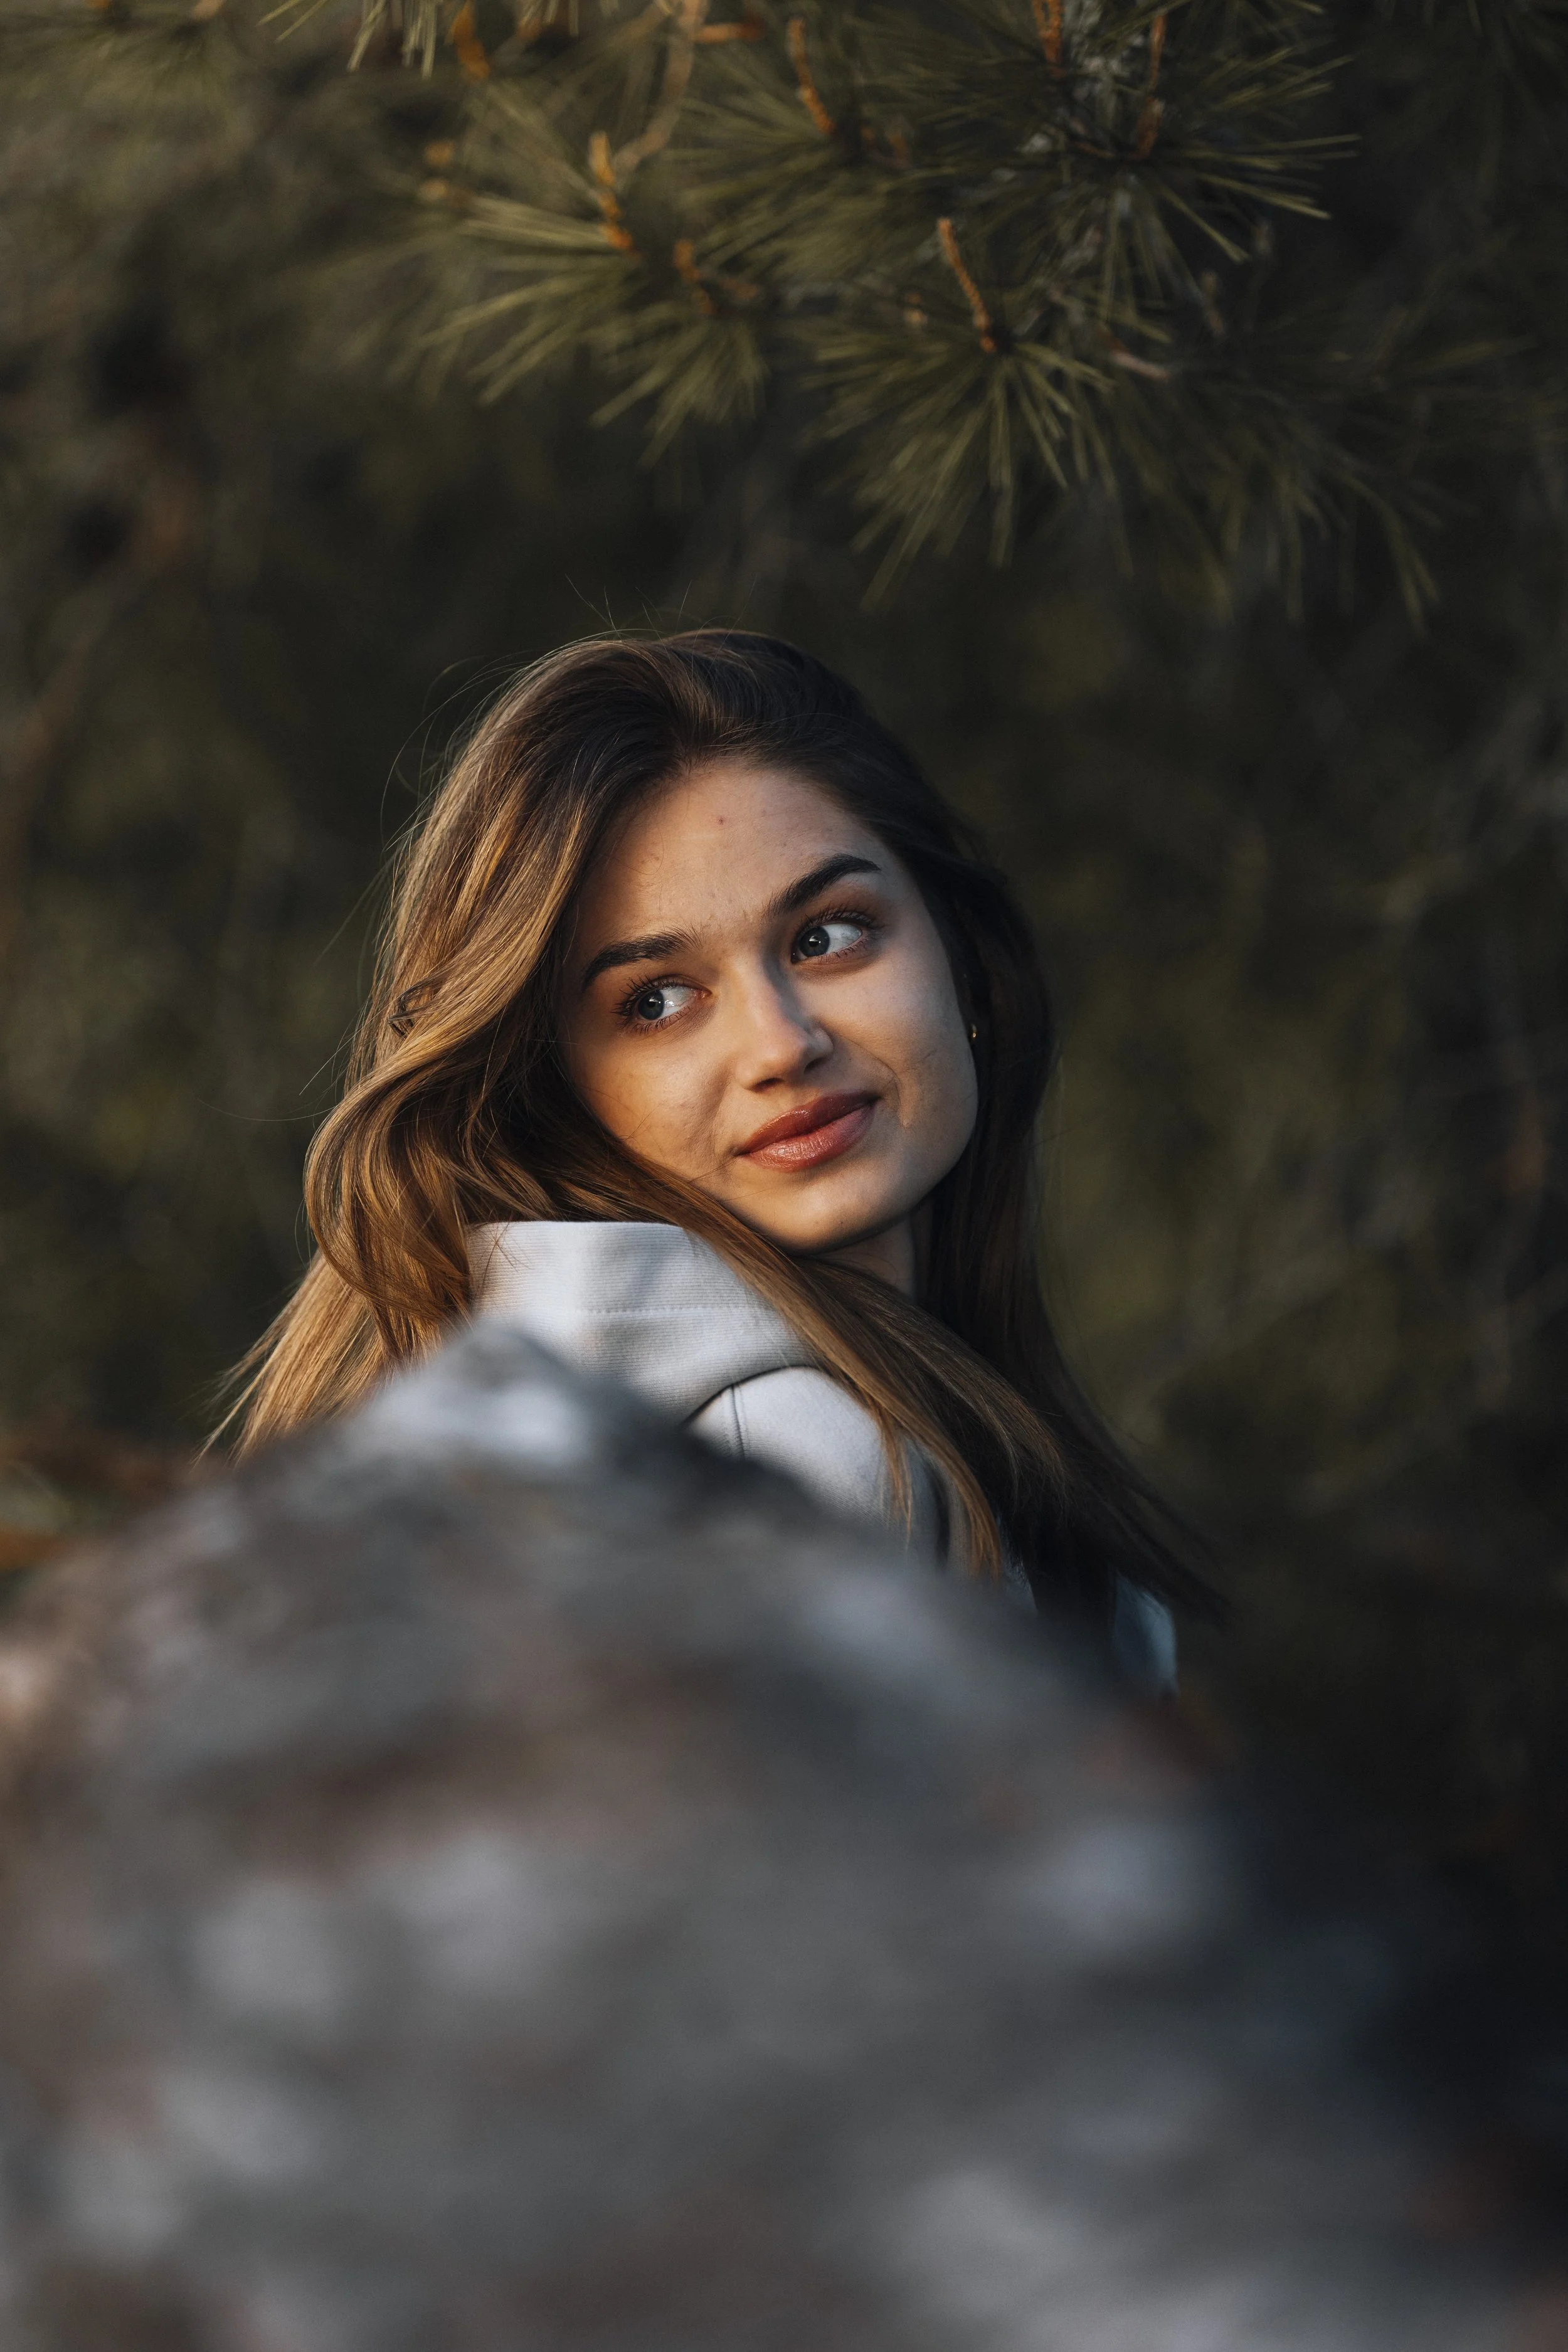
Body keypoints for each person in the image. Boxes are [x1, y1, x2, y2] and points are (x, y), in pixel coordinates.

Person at [231, 631, 1212, 1687]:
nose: (783, 1043)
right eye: (654, 1001)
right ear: (555, 1093)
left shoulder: (612, 1453)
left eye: (828, 936)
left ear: (963, 957)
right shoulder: (789, 1463)